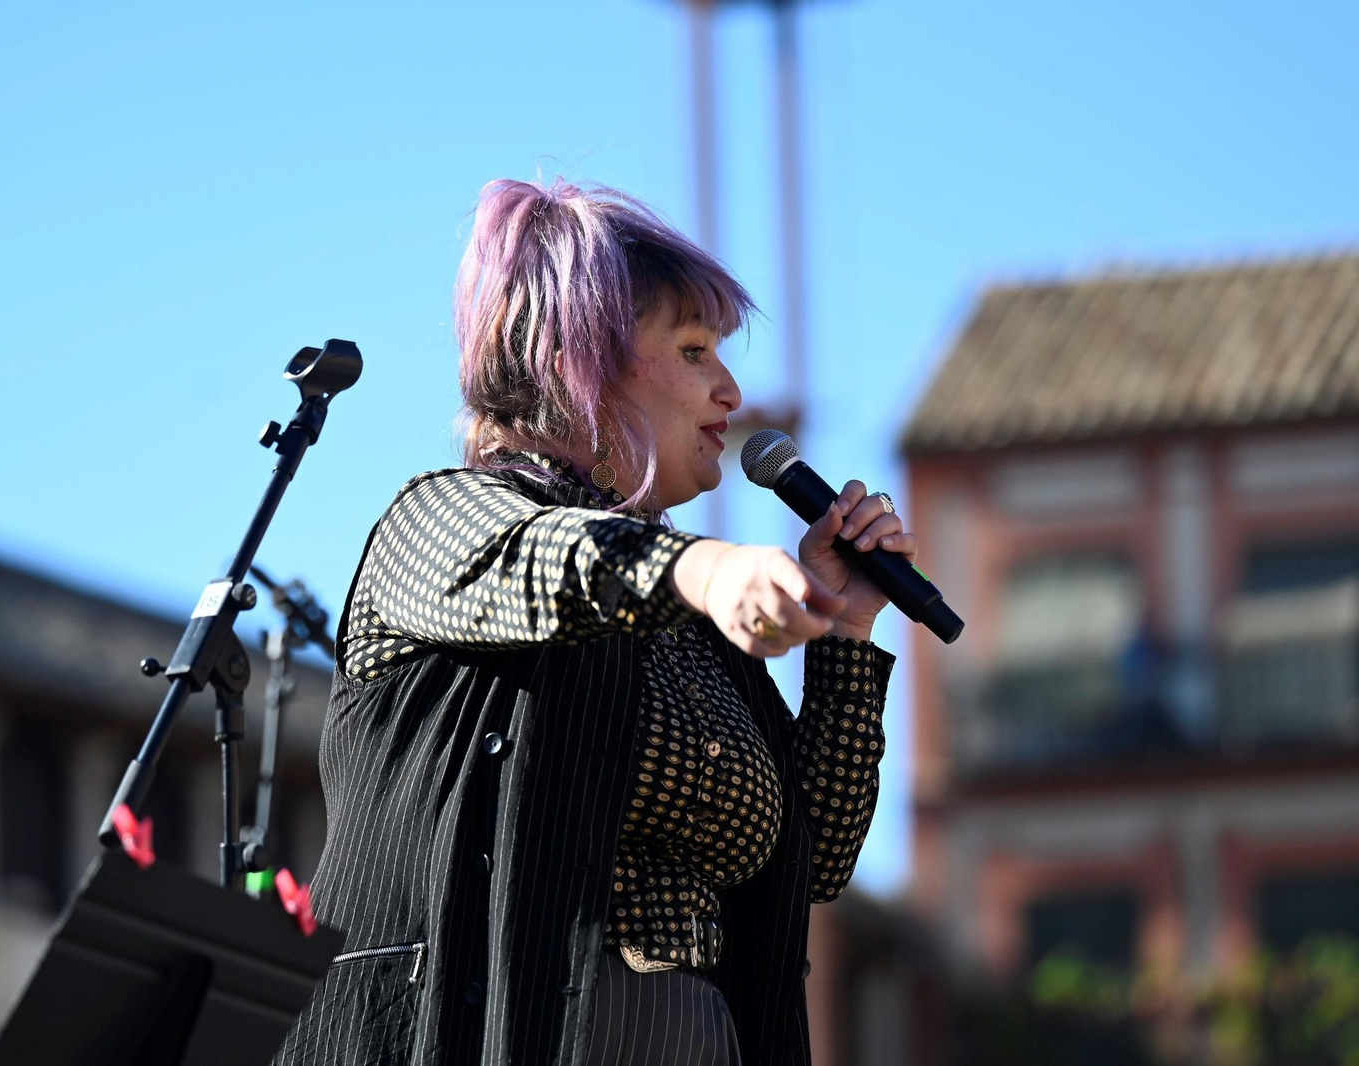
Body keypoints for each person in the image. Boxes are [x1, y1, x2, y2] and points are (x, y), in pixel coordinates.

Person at [274, 179, 918, 1066]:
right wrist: (706, 566)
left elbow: (818, 859)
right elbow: (551, 561)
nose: (731, 391)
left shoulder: (686, 623)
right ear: (574, 360)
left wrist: (846, 632)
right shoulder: (441, 519)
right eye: (694, 351)